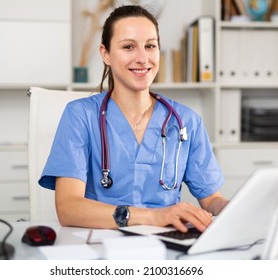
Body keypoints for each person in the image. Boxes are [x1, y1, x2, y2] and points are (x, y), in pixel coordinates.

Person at [39, 5, 228, 233]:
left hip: (166, 247)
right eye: (128, 47)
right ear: (105, 54)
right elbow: (68, 209)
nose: (142, 58)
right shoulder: (80, 116)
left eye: (150, 46)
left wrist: (236, 208)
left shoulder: (187, 121)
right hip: (101, 245)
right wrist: (153, 216)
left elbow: (212, 200)